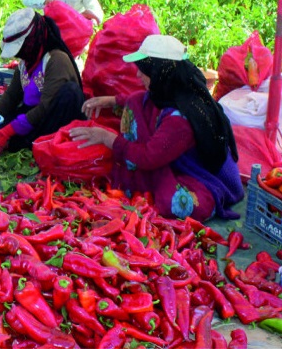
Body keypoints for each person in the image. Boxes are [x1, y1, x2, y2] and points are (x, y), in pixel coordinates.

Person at [69, 35, 244, 221]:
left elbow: (148, 157)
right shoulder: (177, 91)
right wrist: (111, 101)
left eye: (144, 70)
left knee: (175, 202)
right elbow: (140, 98)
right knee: (137, 102)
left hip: (207, 179)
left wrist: (107, 138)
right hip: (180, 162)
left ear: (160, 72)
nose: (138, 75)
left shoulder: (181, 119)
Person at [0, 8, 86, 154]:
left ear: (32, 41)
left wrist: (9, 131)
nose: (18, 55)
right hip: (32, 116)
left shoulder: (56, 60)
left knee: (70, 93)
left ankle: (36, 143)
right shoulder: (26, 62)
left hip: (52, 118)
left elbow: (46, 107)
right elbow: (11, 96)